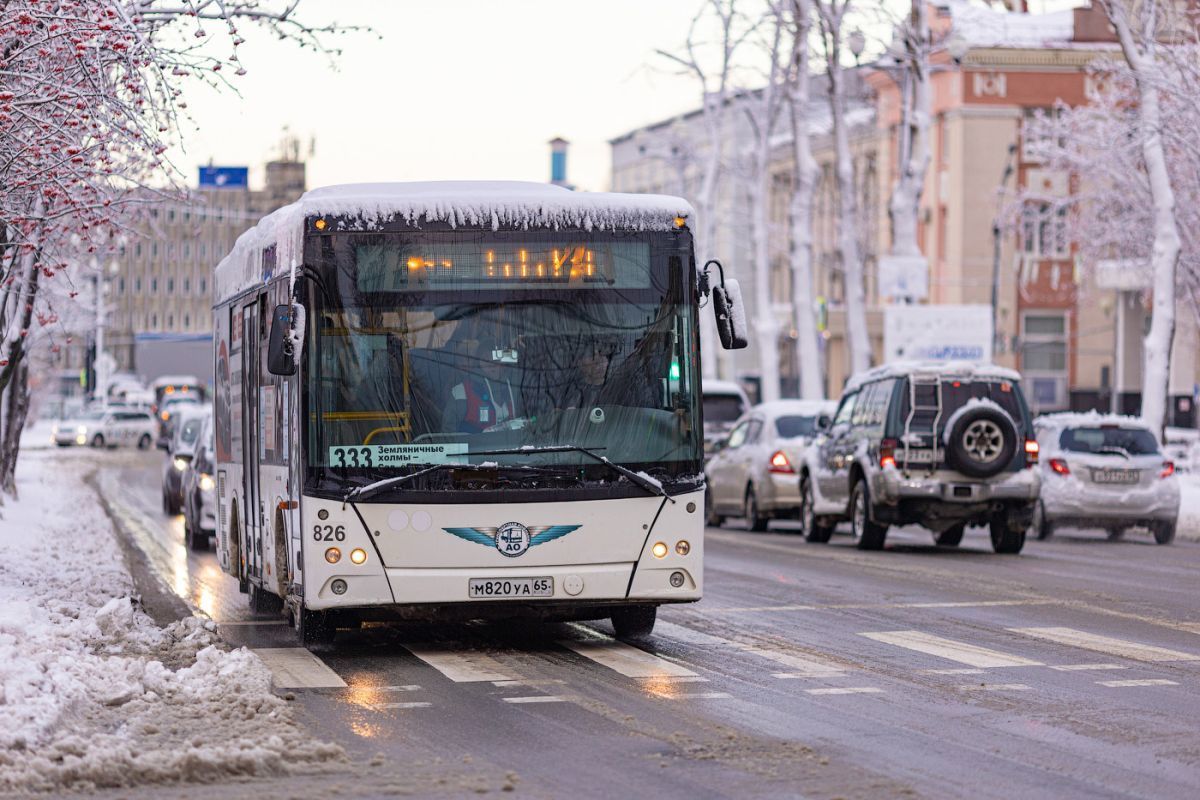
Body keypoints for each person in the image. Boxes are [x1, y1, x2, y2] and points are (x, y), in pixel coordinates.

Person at [442, 335, 520, 433]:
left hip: (519, 447)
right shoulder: (462, 392)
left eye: (495, 358)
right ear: (478, 363)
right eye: (485, 359)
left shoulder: (519, 388)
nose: (491, 364)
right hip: (476, 448)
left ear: (504, 362)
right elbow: (448, 435)